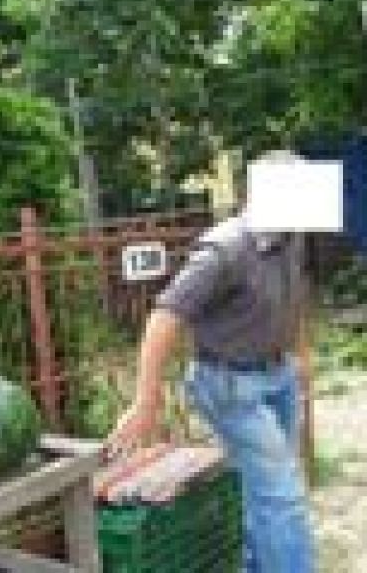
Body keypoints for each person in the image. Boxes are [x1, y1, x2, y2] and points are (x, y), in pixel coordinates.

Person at [106, 195, 315, 573]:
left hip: (276, 375)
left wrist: (300, 358)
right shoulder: (224, 250)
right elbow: (164, 319)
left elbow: (293, 298)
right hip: (230, 386)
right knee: (282, 497)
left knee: (264, 491)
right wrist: (146, 402)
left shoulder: (289, 239)